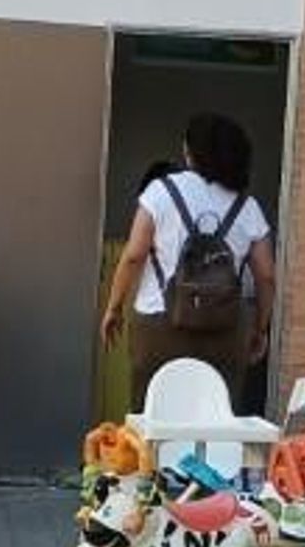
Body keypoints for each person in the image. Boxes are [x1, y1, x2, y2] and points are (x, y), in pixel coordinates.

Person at [101, 112, 275, 399]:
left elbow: (134, 256)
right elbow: (266, 275)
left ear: (190, 151)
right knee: (216, 415)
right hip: (225, 329)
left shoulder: (161, 191)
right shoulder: (247, 206)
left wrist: (114, 307)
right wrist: (260, 328)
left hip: (159, 323)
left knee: (151, 414)